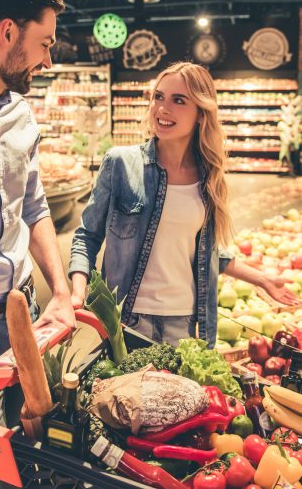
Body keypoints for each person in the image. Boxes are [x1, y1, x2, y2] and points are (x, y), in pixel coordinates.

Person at [69, 61, 300, 347]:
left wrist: (262, 279)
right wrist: (77, 294)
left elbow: (206, 251)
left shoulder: (209, 177)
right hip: (127, 320)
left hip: (185, 321)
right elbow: (86, 236)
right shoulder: (121, 164)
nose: (163, 109)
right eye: (158, 97)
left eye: (179, 100)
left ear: (201, 114)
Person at [0, 0, 75, 488]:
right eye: (44, 43)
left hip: (24, 317)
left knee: (33, 461)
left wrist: (60, 292)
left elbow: (34, 209)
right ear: (7, 32)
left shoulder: (22, 115)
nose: (49, 59)